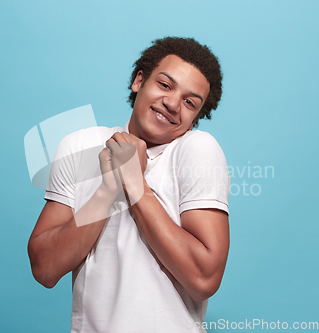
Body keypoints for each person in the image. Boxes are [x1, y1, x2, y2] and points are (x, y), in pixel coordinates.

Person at [28, 37, 230, 333]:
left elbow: (204, 280)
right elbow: (44, 269)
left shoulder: (197, 150)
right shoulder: (80, 145)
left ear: (195, 118)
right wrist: (110, 189)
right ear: (139, 80)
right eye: (165, 85)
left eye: (190, 102)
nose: (173, 104)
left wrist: (136, 184)